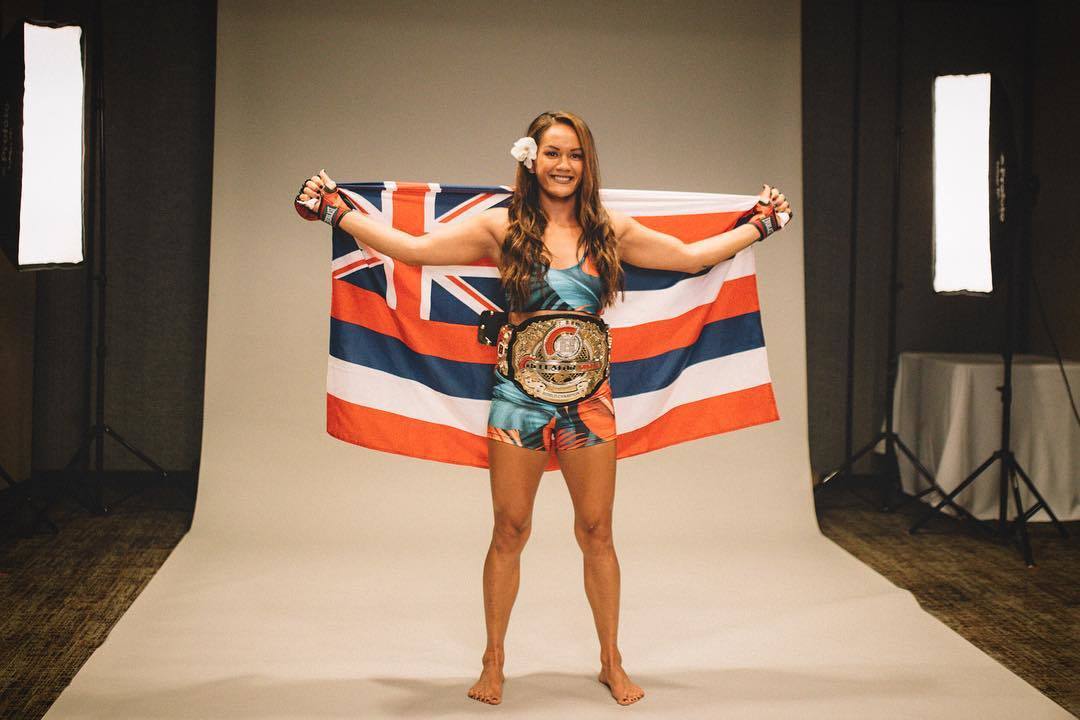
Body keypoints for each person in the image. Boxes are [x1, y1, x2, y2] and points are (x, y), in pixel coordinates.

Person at [295, 110, 792, 706]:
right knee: (510, 528)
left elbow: (690, 258)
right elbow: (414, 250)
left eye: (575, 154)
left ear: (588, 162)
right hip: (518, 400)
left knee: (597, 530)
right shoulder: (500, 226)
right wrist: (337, 211)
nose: (564, 165)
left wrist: (760, 226)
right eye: (553, 153)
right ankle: (493, 659)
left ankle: (611, 660)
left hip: (590, 401)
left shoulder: (608, 228)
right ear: (532, 160)